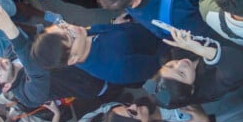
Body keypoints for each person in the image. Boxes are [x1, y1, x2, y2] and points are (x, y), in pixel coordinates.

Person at [142, 25, 243, 109]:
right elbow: (235, 63)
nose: (180, 64)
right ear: (191, 89)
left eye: (170, 66)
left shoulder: (174, 54)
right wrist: (201, 50)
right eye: (181, 73)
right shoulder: (210, 88)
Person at [31, 19, 163, 86]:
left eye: (63, 26)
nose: (74, 28)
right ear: (72, 60)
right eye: (70, 36)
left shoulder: (83, 35)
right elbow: (162, 64)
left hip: (153, 29)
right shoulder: (116, 67)